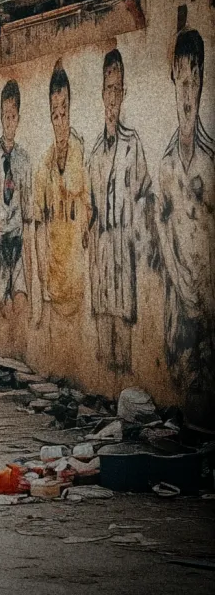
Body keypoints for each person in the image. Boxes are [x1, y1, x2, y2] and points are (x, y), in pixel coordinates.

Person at [155, 29, 213, 406]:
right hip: (178, 294)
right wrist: (178, 279)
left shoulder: (209, 163)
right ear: (174, 80)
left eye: (195, 82)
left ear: (203, 81)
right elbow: (162, 228)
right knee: (181, 378)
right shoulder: (165, 166)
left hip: (208, 298)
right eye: (182, 82)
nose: (187, 95)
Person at [85, 50, 151, 374]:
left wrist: (142, 236)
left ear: (123, 94)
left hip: (124, 248)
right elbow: (91, 206)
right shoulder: (95, 152)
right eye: (108, 89)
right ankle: (104, 389)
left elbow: (144, 195)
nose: (112, 97)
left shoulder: (132, 144)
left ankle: (121, 391)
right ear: (101, 94)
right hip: (100, 250)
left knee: (122, 335)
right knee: (102, 337)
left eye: (117, 89)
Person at [34, 64, 89, 330]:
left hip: (77, 274)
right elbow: (39, 226)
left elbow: (85, 197)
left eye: (64, 112)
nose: (60, 121)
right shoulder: (44, 165)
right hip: (54, 276)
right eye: (55, 114)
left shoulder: (81, 152)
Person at [0, 80, 34, 354]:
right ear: (0, 117)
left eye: (13, 117)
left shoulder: (24, 160)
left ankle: (20, 350)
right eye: (5, 117)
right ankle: (6, 347)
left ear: (19, 119)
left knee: (21, 296)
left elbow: (29, 208)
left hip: (19, 238)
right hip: (1, 237)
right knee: (2, 299)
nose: (8, 122)